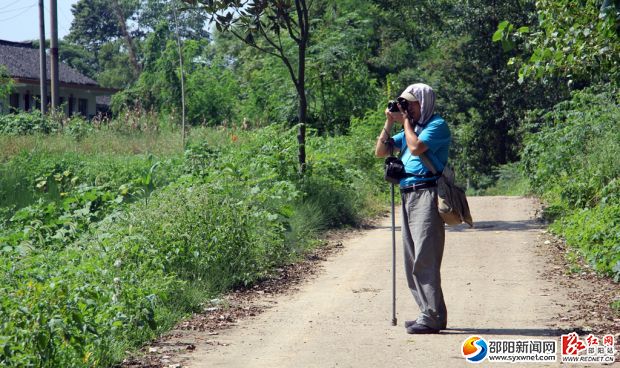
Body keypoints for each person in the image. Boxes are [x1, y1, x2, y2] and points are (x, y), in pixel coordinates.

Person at [375, 83, 451, 334]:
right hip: (407, 195)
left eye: (411, 104)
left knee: (424, 257)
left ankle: (430, 316)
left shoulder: (436, 126)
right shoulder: (413, 128)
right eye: (405, 104)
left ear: (424, 102)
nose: (408, 109)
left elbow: (416, 148)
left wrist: (406, 122)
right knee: (411, 259)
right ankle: (430, 313)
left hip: (426, 194)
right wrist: (389, 122)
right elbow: (380, 151)